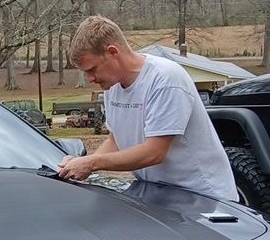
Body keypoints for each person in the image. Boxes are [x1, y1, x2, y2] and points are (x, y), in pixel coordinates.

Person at [57, 15, 237, 201]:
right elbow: (115, 141)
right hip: (160, 195)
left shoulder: (165, 79)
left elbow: (154, 152)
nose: (90, 79)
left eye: (92, 69)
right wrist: (80, 164)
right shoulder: (113, 86)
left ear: (112, 52)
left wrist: (92, 163)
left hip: (205, 198)